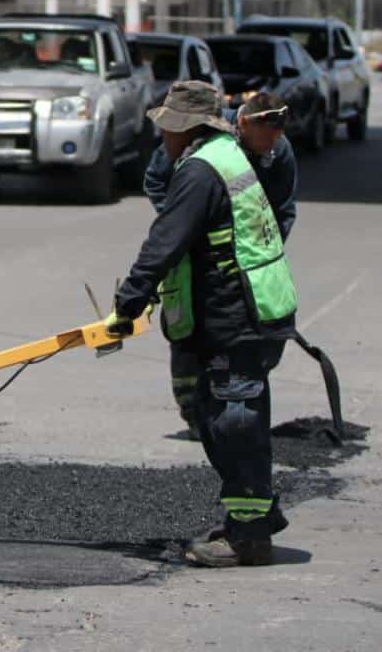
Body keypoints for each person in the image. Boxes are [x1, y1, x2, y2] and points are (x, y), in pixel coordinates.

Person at [105, 80, 298, 568]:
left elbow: (165, 241)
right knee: (221, 416)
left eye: (168, 128)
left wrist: (129, 301)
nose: (162, 137)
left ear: (186, 128)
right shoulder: (221, 157)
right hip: (249, 311)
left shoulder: (201, 171)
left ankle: (249, 536)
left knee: (235, 422)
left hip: (240, 315)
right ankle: (253, 517)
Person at [143, 92, 298, 441]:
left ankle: (235, 406)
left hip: (247, 267)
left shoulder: (280, 152)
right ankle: (193, 410)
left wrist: (259, 258)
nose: (271, 145)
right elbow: (155, 181)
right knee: (186, 330)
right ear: (243, 123)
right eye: (265, 138)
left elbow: (282, 210)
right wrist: (184, 222)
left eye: (276, 138)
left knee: (246, 343)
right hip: (192, 256)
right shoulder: (201, 141)